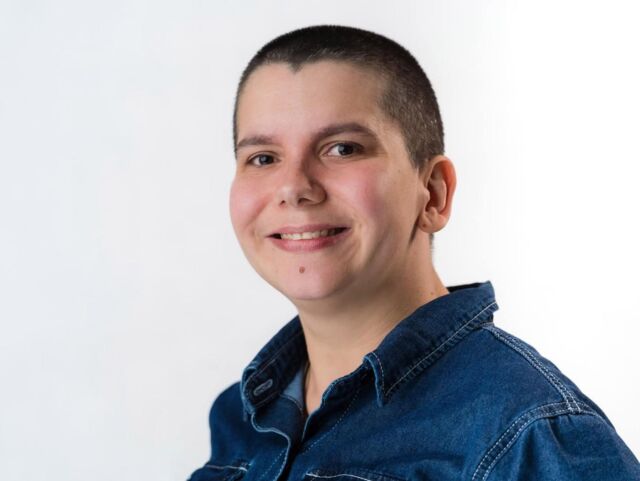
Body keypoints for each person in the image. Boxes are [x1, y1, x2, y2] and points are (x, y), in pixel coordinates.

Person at [188, 25, 640, 481]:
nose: (294, 187)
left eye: (342, 149)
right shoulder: (241, 420)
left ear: (433, 193)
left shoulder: (529, 436)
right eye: (263, 158)